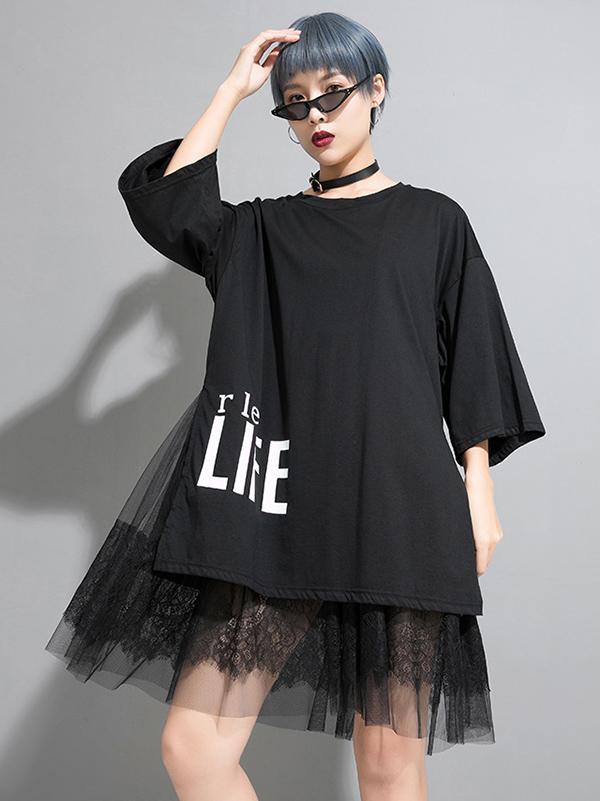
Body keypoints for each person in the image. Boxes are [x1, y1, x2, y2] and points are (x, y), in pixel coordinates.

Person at [44, 12, 546, 801]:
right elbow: (170, 207)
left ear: (377, 90)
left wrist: (479, 493)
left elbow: (474, 360)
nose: (315, 115)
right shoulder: (258, 233)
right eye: (295, 102)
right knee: (194, 748)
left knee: (388, 766)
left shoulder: (435, 222)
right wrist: (232, 90)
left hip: (398, 507)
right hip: (275, 509)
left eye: (333, 93)